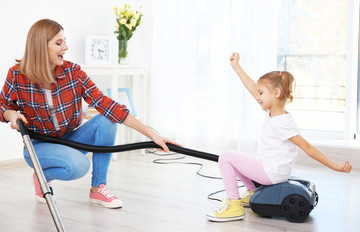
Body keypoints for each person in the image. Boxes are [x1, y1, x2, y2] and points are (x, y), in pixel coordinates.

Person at [0, 18, 176, 209]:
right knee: (79, 166)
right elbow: (2, 106)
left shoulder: (73, 72)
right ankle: (42, 176)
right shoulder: (17, 75)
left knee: (106, 121)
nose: (65, 47)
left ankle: (98, 188)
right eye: (59, 43)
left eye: (64, 41)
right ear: (40, 47)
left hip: (70, 138)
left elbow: (106, 104)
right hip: (38, 146)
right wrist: (12, 115)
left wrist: (153, 135)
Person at [206, 52, 352, 222]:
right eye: (258, 94)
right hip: (271, 169)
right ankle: (253, 192)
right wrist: (236, 66)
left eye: (261, 93)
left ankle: (234, 205)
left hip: (271, 173)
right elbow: (253, 88)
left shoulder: (281, 122)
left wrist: (334, 166)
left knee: (225, 158)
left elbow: (307, 148)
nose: (257, 97)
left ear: (275, 93)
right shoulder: (275, 113)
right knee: (237, 160)